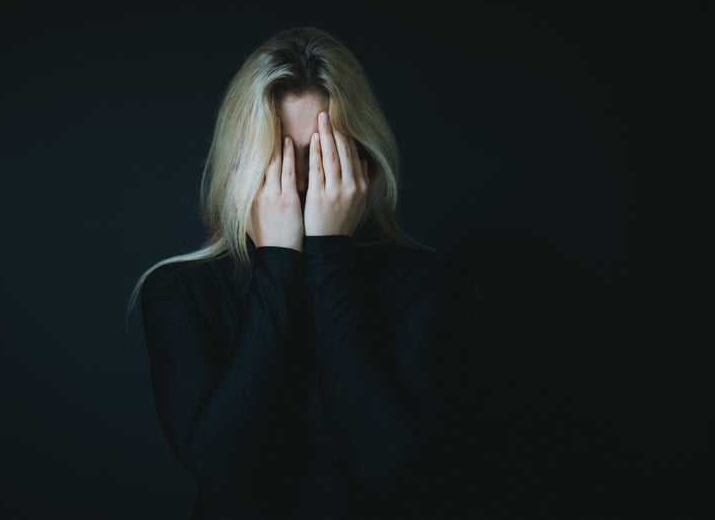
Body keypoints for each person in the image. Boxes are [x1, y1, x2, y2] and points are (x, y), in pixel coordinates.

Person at [126, 27, 484, 519]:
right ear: (238, 167)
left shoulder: (429, 284)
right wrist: (278, 263)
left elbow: (385, 467)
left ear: (361, 159)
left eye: (319, 157)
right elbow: (222, 471)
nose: (295, 182)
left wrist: (329, 253)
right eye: (273, 159)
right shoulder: (180, 291)